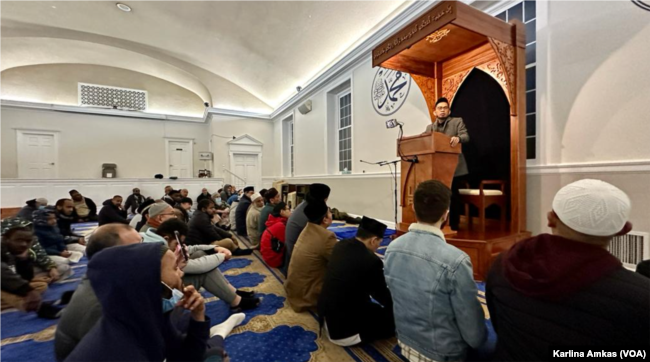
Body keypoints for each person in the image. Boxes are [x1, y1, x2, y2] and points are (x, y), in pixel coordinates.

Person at [486, 179, 650, 362]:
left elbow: (498, 325)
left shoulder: (503, 265)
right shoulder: (642, 295)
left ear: (550, 219)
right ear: (623, 229)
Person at [63, 242, 230, 362]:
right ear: (149, 280)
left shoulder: (145, 315)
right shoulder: (118, 348)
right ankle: (219, 335)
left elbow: (187, 356)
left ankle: (218, 334)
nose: (180, 274)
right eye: (174, 269)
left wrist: (198, 315)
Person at [385, 180, 486, 362]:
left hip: (405, 341)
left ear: (414, 210)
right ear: (446, 214)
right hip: (443, 354)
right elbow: (474, 335)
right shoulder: (456, 260)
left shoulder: (392, 248)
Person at [55, 223, 143, 361]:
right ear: (111, 257)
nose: (145, 252)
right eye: (137, 248)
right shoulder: (101, 306)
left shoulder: (104, 281)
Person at [143, 219, 260, 311]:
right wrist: (222, 256)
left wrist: (215, 248)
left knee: (199, 253)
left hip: (161, 289)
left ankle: (232, 292)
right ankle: (236, 301)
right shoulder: (159, 251)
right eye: (171, 214)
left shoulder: (154, 238)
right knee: (204, 271)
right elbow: (195, 266)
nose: (175, 216)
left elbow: (190, 248)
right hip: (163, 298)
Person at [318, 217, 394, 346]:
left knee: (374, 308)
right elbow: (382, 296)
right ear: (373, 240)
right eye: (379, 243)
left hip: (327, 319)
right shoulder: (371, 260)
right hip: (345, 332)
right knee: (393, 319)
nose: (378, 247)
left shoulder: (340, 245)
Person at [0, 218, 66, 318]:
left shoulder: (11, 251)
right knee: (11, 291)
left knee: (39, 286)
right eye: (19, 240)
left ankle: (26, 301)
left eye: (28, 241)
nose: (24, 244)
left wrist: (23, 260)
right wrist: (27, 290)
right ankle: (38, 307)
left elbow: (26, 278)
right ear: (5, 238)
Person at [423, 97, 469, 231]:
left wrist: (458, 138)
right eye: (439, 108)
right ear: (435, 112)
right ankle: (437, 223)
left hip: (454, 167)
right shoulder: (430, 127)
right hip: (435, 168)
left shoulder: (457, 122)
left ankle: (454, 225)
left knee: (452, 196)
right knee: (436, 196)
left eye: (445, 108)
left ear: (449, 111)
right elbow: (423, 141)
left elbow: (466, 136)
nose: (442, 110)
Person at [285, 200, 337, 312]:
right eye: (330, 212)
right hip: (308, 295)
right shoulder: (327, 236)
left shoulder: (307, 228)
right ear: (325, 219)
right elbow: (340, 262)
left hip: (295, 289)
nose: (331, 214)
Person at [285, 183, 330, 270]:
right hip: (296, 259)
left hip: (292, 253)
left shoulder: (304, 205)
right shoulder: (308, 212)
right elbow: (318, 237)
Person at [186, 199, 252, 256]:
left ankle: (235, 249)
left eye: (214, 208)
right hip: (198, 247)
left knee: (228, 237)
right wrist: (224, 240)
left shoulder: (200, 215)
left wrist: (229, 235)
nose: (214, 210)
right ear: (203, 209)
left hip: (201, 242)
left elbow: (214, 228)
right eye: (211, 208)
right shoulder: (202, 218)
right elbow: (212, 234)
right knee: (228, 241)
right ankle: (236, 251)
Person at [260, 202, 291, 268]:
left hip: (268, 255)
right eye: (288, 209)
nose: (290, 211)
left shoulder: (274, 220)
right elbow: (288, 242)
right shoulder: (280, 225)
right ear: (282, 211)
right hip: (274, 259)